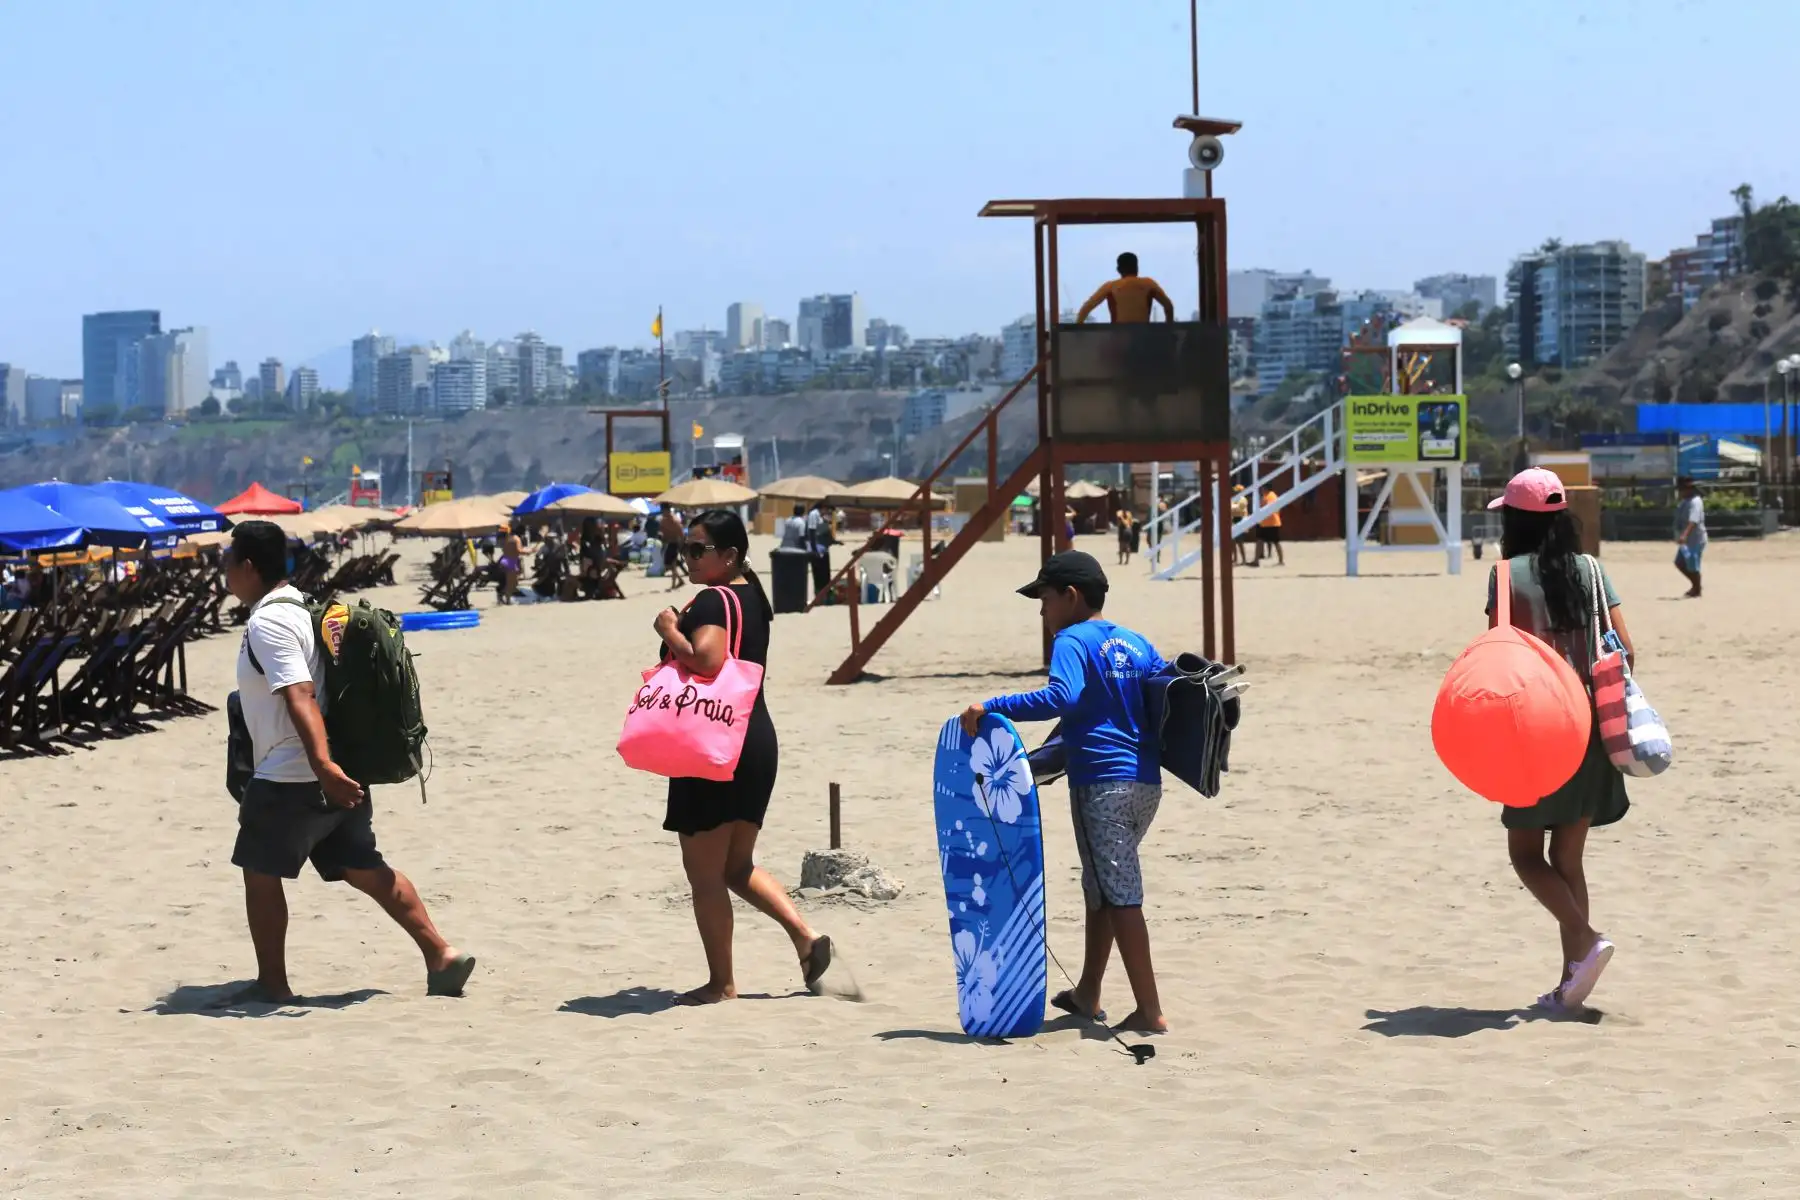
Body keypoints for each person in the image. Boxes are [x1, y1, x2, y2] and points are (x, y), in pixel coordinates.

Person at [223, 520, 474, 1004]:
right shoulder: (299, 605)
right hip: (336, 767)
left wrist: (321, 767)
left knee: (260, 869)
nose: (225, 573)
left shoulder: (269, 621)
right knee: (363, 865)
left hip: (293, 774)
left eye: (227, 563)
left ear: (248, 567)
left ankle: (272, 983)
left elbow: (300, 693)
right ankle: (440, 953)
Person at [960, 551, 1169, 1033]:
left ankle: (1149, 1009)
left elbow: (1061, 697)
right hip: (1145, 784)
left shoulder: (1072, 640)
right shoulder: (1134, 641)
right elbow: (1161, 690)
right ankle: (1087, 992)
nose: (1041, 612)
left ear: (1070, 597)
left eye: (1044, 600)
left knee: (1120, 895)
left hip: (1101, 782)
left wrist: (991, 706)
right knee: (1102, 886)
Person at [654, 509, 831, 1004]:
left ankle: (721, 983)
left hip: (713, 745)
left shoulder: (713, 599)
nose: (686, 557)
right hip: (753, 738)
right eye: (683, 548)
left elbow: (706, 659)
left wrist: (670, 627)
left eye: (696, 549)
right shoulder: (752, 595)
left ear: (728, 556)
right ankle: (806, 937)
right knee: (736, 866)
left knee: (704, 873)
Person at [1484, 468, 1632, 1012]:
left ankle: (1586, 939)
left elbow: (1497, 655)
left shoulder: (1505, 576)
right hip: (1592, 724)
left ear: (1516, 522)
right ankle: (1573, 981)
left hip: (1535, 725)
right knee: (1567, 856)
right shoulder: (1593, 571)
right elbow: (1627, 649)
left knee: (1524, 852)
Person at [1075, 253, 1175, 324]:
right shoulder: (1148, 284)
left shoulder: (1110, 286)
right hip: (1144, 337)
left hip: (1118, 337)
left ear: (1118, 269)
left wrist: (1077, 331)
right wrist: (1167, 329)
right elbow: (1168, 306)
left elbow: (1086, 308)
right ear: (1137, 267)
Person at [1674, 477, 1706, 598]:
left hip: (1695, 540)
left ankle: (1697, 589)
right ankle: (1696, 585)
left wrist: (1684, 534)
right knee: (1680, 563)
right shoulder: (1684, 502)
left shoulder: (1695, 502)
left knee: (1693, 565)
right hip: (1687, 542)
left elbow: (1693, 521)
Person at [805, 501, 834, 601]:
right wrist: (814, 550)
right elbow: (812, 532)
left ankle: (825, 596)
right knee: (818, 575)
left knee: (825, 574)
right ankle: (819, 597)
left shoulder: (821, 516)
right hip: (817, 549)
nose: (828, 512)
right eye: (827, 510)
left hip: (823, 549)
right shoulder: (814, 514)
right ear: (823, 507)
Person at [497, 524, 527, 604]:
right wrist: (529, 551)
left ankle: (505, 599)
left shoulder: (508, 538)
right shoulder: (517, 539)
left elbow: (506, 549)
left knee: (511, 583)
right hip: (511, 563)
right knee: (512, 584)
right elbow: (519, 550)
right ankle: (505, 598)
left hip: (504, 561)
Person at [659, 505, 686, 590]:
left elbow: (681, 534)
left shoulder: (675, 520)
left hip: (675, 544)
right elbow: (663, 533)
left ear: (667, 510)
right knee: (669, 565)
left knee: (672, 565)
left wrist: (681, 547)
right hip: (669, 544)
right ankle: (679, 581)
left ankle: (675, 584)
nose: (662, 513)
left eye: (663, 511)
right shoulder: (664, 520)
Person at [1255, 487, 1283, 566]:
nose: (1261, 490)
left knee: (1275, 542)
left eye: (1262, 488)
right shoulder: (1268, 495)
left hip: (1270, 523)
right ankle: (1256, 560)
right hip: (1266, 522)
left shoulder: (1270, 496)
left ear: (1266, 488)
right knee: (1260, 540)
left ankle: (1281, 560)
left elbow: (1267, 508)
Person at [1230, 484, 1254, 567]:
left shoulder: (1243, 499)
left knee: (1240, 542)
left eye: (1236, 491)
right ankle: (1235, 558)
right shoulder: (1234, 499)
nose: (1234, 492)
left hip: (1240, 520)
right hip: (1234, 520)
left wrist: (1230, 507)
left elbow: (1238, 509)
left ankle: (1243, 559)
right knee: (1232, 542)